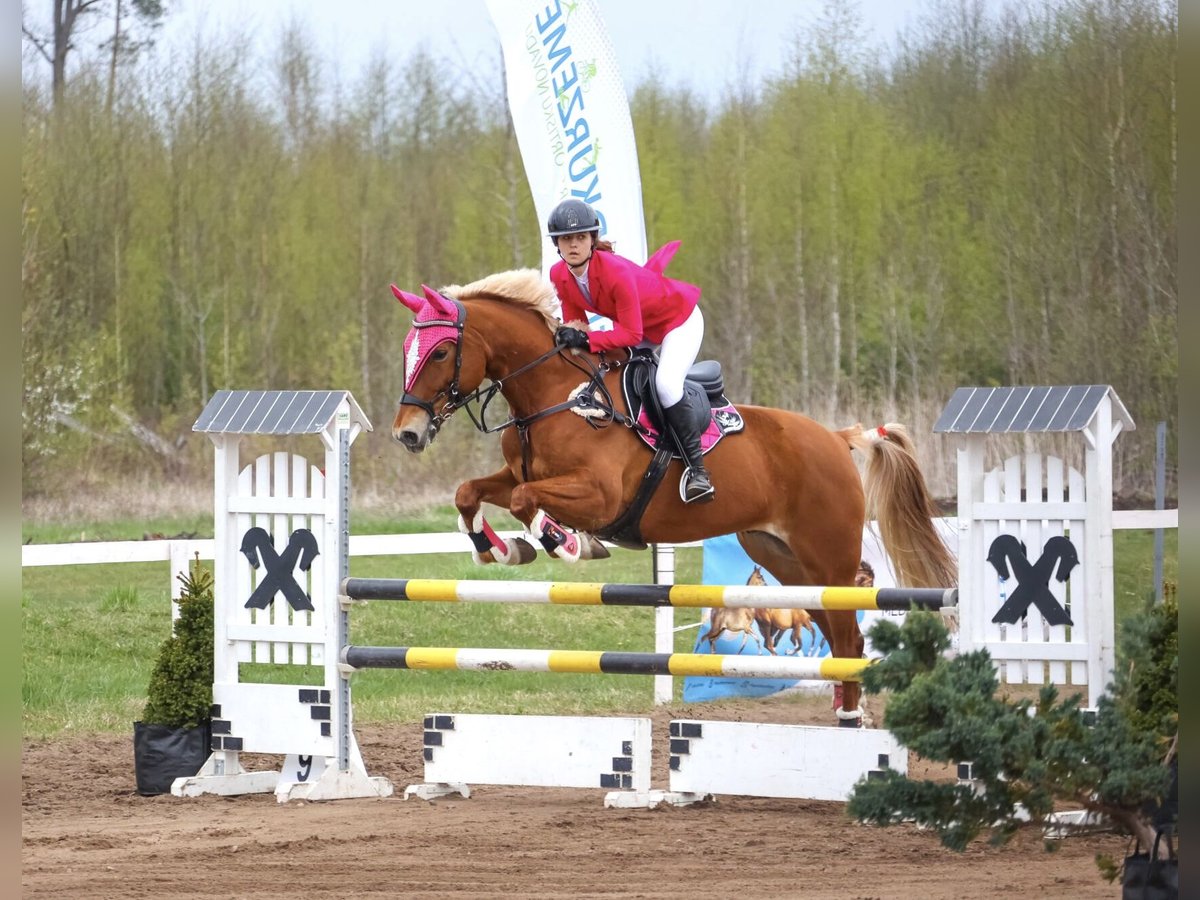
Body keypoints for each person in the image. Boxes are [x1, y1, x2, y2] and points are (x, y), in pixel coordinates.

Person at [546, 198, 714, 504]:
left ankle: (697, 470)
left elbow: (632, 333)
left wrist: (587, 341)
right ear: (557, 244)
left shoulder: (614, 273)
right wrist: (570, 339)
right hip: (641, 328)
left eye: (581, 237)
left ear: (592, 240)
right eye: (566, 239)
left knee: (666, 385)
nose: (574, 245)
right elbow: (579, 326)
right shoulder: (559, 274)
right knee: (609, 373)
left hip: (678, 321)